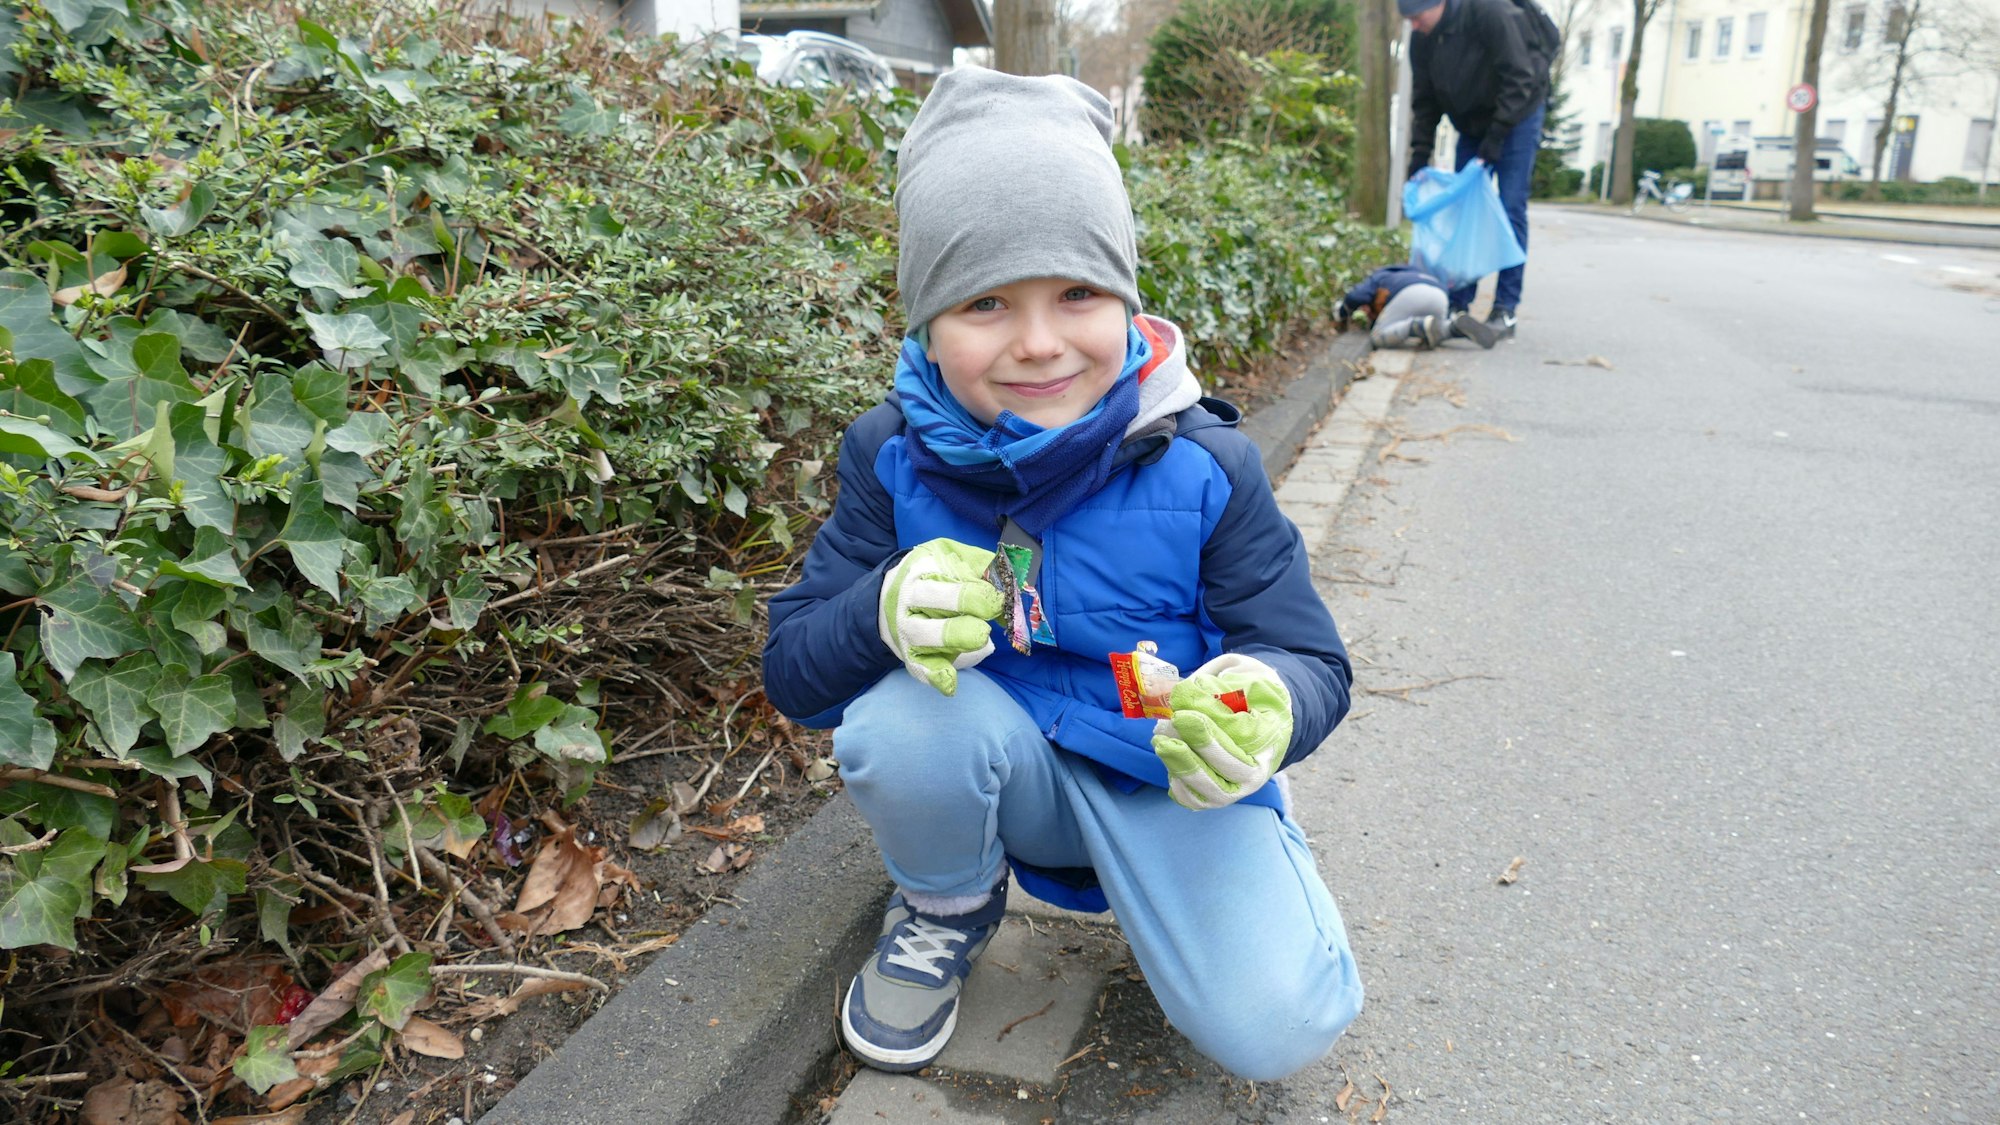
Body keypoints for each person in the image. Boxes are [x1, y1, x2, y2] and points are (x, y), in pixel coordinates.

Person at [762, 67, 1363, 1081]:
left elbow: (1309, 658)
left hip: (1168, 773)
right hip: (1004, 764)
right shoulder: (889, 454)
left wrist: (1268, 705)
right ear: (923, 322)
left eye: (1077, 293)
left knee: (1275, 1031)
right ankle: (945, 904)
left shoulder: (1204, 465)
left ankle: (1217, 875)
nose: (1038, 343)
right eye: (984, 302)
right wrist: (880, 609)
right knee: (896, 722)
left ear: (1124, 297)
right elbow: (794, 672)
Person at [1402, 0, 1551, 339]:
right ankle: (1458, 305)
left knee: (1510, 205)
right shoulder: (1423, 37)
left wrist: (1497, 137)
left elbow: (1519, 75)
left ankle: (1505, 309)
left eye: (1416, 17)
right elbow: (1425, 100)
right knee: (1464, 207)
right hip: (1470, 122)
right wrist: (1418, 156)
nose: (1413, 25)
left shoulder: (1489, 12)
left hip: (1518, 113)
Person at [1338, 262, 1500, 350]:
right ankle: (1453, 326)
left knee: (1378, 337)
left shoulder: (1380, 276)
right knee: (1435, 330)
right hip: (1440, 295)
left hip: (1409, 294)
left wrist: (1341, 313)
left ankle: (1415, 326)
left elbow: (1355, 296)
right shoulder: (1411, 271)